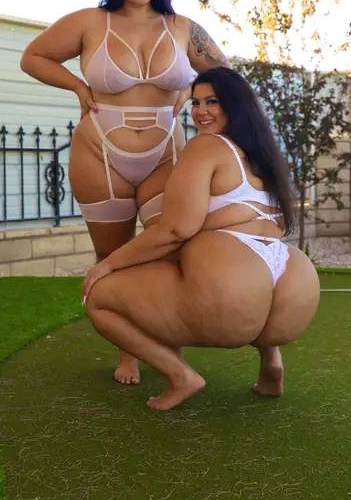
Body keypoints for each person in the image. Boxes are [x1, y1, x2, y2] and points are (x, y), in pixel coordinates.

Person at [20, 0, 227, 385]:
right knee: (113, 258)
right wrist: (78, 87)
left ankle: (169, 345)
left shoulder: (182, 27)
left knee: (171, 250)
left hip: (165, 155)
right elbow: (32, 57)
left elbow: (225, 75)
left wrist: (191, 91)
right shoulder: (90, 21)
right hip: (99, 153)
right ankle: (129, 351)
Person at [82, 66, 320, 411]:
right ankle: (272, 363)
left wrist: (107, 265)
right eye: (195, 102)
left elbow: (175, 230)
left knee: (98, 298)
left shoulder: (206, 146)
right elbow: (271, 225)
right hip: (291, 282)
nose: (200, 111)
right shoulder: (262, 155)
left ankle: (180, 375)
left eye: (212, 101)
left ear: (235, 105)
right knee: (205, 269)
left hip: (235, 286)